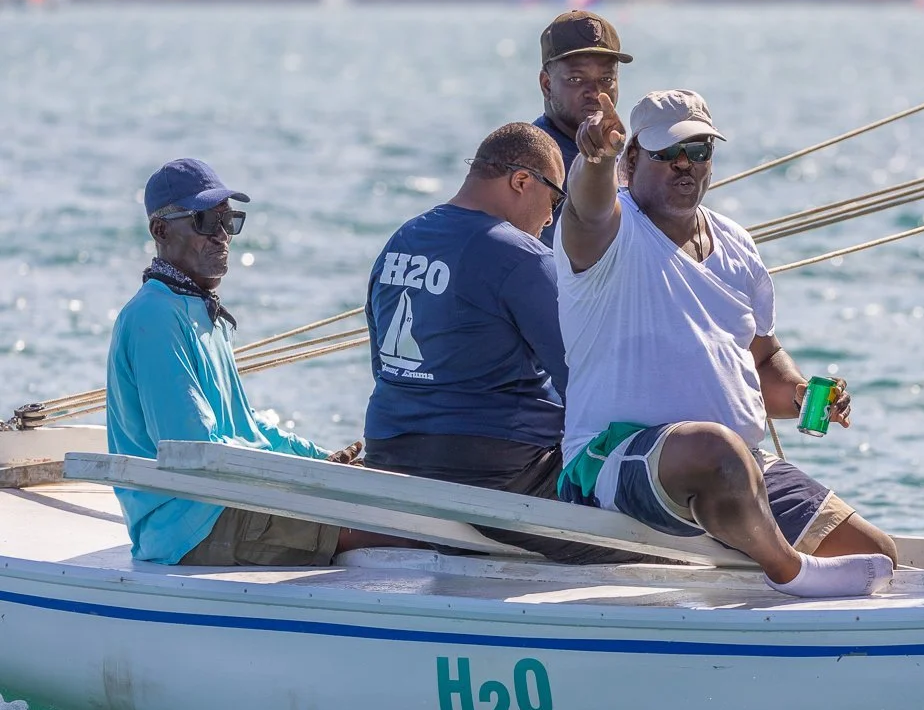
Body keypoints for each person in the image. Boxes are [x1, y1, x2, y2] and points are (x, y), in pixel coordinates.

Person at [554, 88, 898, 598]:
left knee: (877, 556)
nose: (684, 164)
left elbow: (764, 358)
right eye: (666, 152)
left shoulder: (737, 244)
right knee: (715, 450)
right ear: (631, 160)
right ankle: (791, 573)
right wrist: (595, 159)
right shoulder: (610, 231)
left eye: (698, 150)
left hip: (739, 467)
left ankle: (780, 559)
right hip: (612, 461)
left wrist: (801, 395)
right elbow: (587, 210)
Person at [363, 123, 655, 565]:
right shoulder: (520, 256)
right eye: (555, 200)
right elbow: (587, 381)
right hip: (493, 473)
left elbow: (383, 367)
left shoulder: (400, 240)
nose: (551, 219)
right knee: (659, 526)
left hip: (388, 459)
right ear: (521, 181)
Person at [107, 159, 400, 566]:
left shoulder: (199, 308)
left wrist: (316, 459)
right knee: (399, 527)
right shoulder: (154, 317)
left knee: (388, 493)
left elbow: (244, 426)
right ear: (160, 231)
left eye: (229, 221)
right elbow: (191, 448)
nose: (222, 235)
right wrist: (300, 476)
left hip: (225, 499)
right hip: (189, 525)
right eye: (206, 221)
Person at [533, 10, 632, 246]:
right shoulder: (533, 162)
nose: (596, 93)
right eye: (576, 79)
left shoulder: (617, 149)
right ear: (547, 85)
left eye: (606, 79)